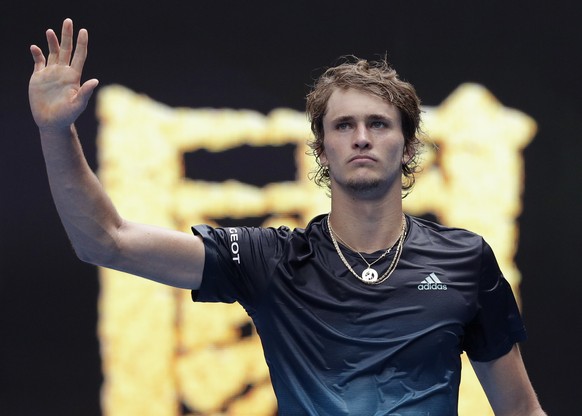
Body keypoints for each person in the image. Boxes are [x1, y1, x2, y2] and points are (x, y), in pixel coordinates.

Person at [29, 18, 546, 416]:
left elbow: (520, 409)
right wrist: (56, 133)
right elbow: (106, 240)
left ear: (409, 146)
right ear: (321, 150)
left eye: (378, 124)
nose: (361, 137)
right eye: (343, 125)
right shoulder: (270, 260)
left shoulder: (464, 259)